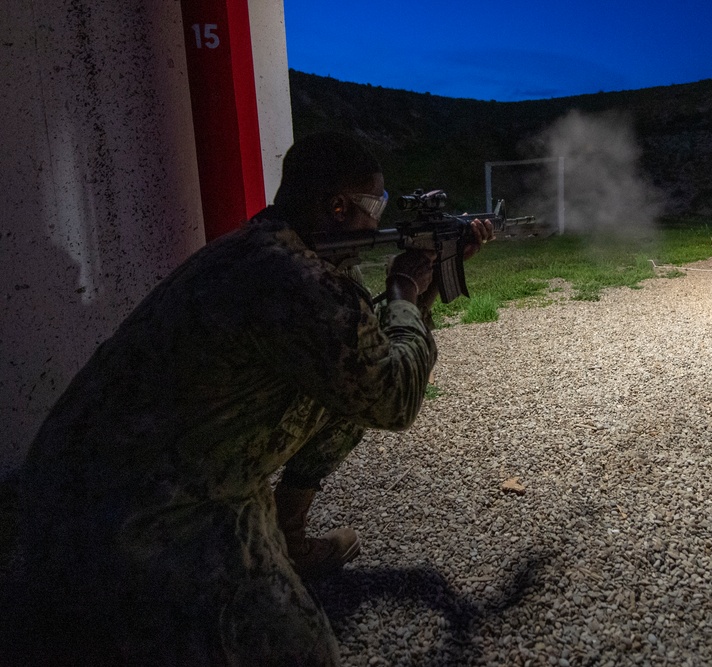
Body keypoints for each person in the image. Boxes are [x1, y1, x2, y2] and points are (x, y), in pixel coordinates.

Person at [6, 131, 493, 665]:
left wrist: (416, 295)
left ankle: (288, 537)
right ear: (336, 206)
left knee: (341, 406)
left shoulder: (264, 247)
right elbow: (394, 399)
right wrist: (403, 294)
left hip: (121, 473)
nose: (379, 221)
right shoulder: (294, 278)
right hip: (134, 511)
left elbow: (362, 367)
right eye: (372, 206)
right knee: (300, 653)